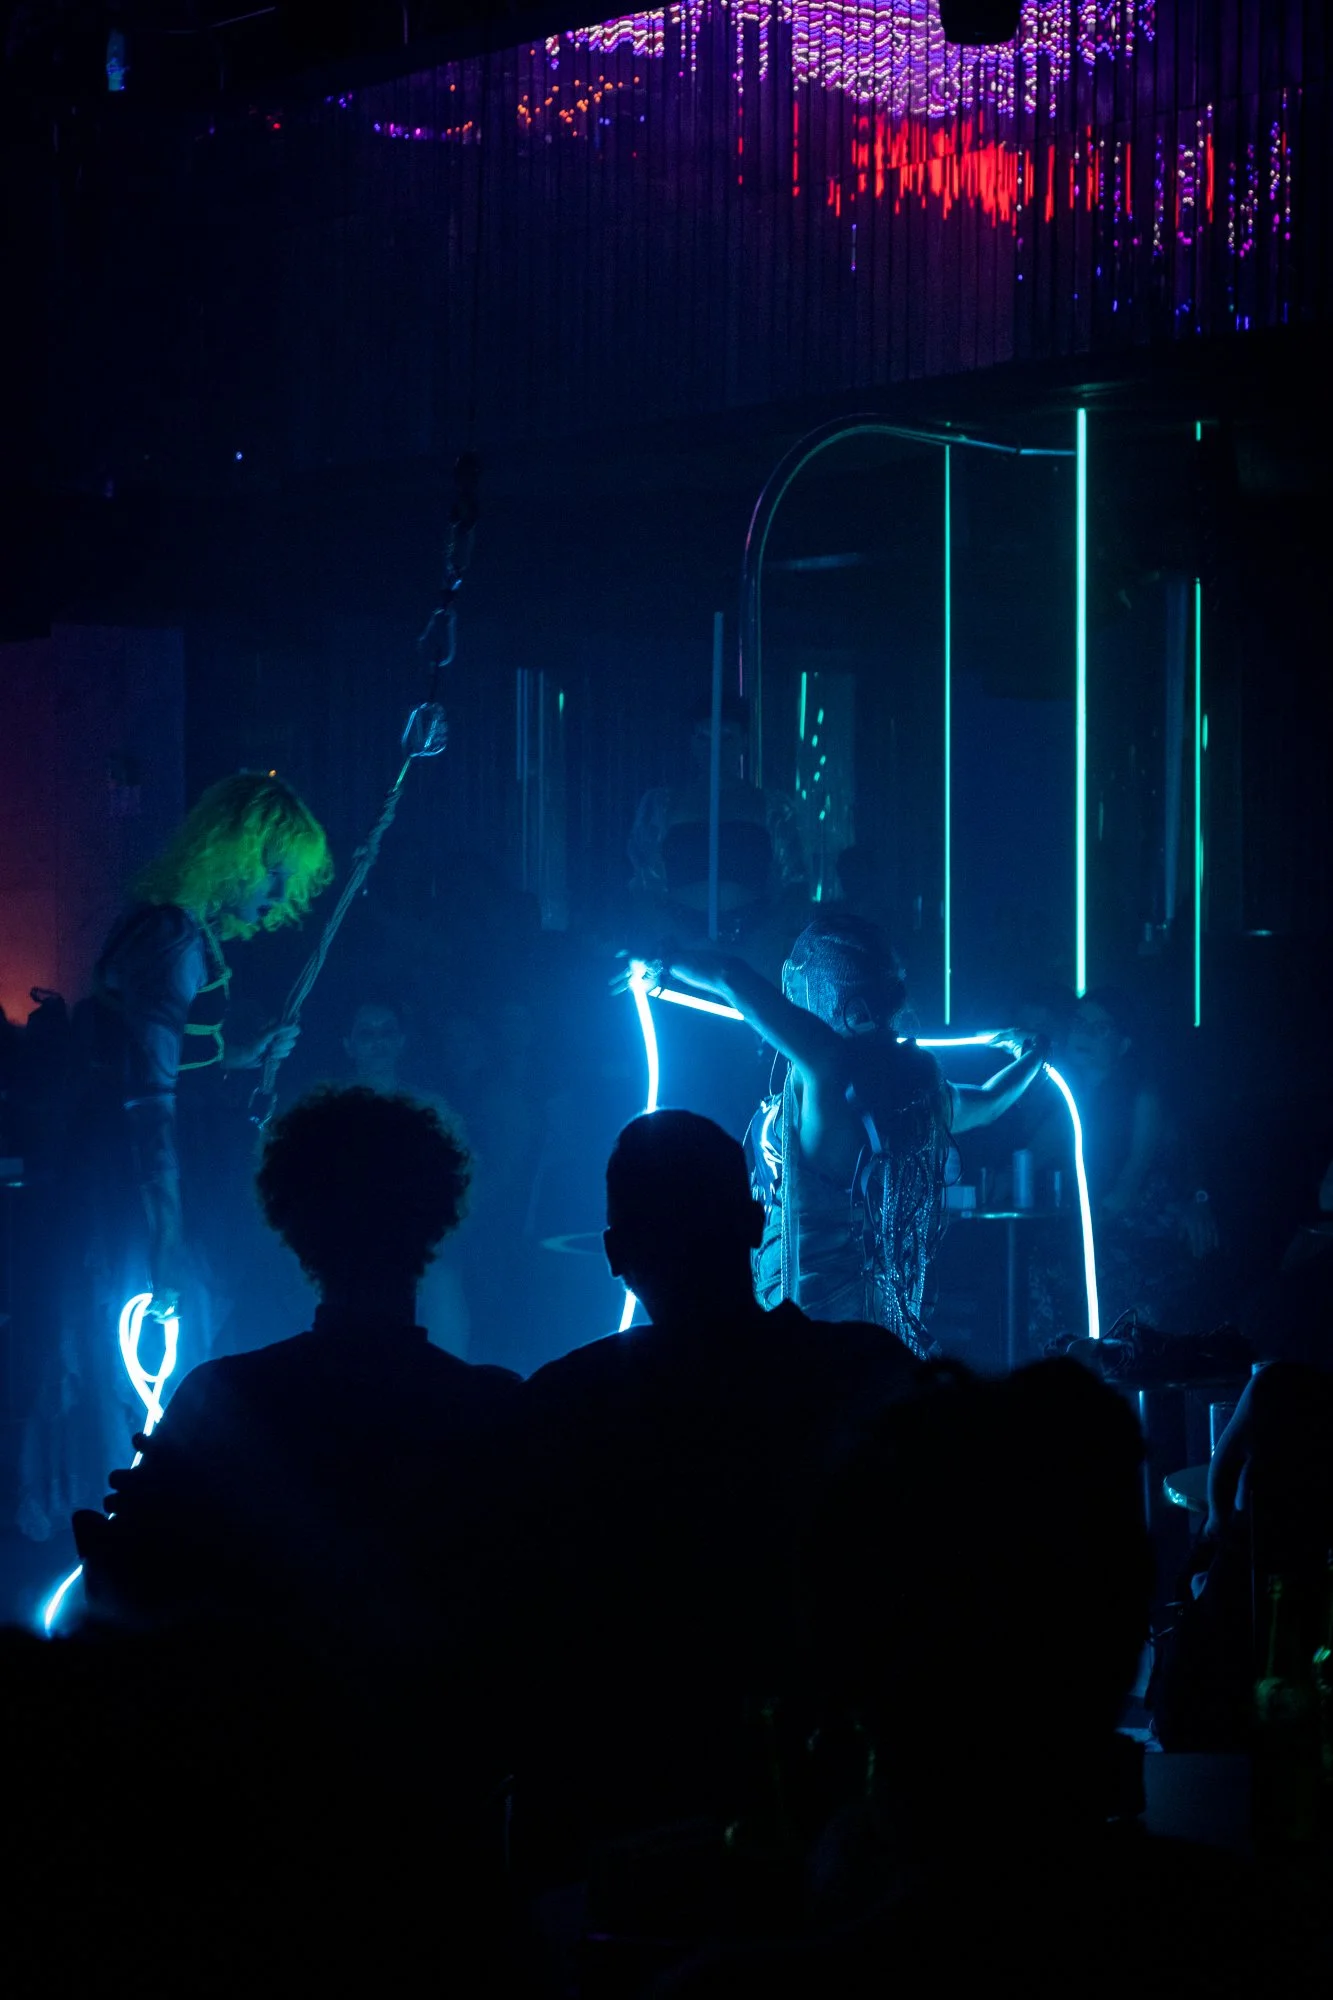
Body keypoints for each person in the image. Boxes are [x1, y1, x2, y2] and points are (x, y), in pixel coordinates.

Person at [511, 1109, 925, 1888]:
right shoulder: (864, 1378)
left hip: (628, 1824)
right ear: (754, 1223)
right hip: (834, 1827)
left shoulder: (562, 1407)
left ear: (613, 1255)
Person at [77, 1085, 520, 1686]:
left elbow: (129, 1590)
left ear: (291, 1223)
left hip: (259, 1750)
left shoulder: (222, 1399)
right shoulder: (495, 1408)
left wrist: (118, 1535)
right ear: (436, 1219)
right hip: (436, 1759)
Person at [16, 771, 332, 1537]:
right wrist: (162, 1234)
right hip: (139, 1177)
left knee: (165, 1343)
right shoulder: (171, 935)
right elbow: (147, 1097)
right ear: (242, 854)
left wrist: (244, 1052)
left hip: (156, 1167)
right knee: (138, 1345)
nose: (278, 894)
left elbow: (164, 1063)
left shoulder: (180, 928)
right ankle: (123, 1531)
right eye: (276, 872)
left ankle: (147, 1520)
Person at [663, 918, 1048, 1354]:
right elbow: (990, 1100)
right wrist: (1033, 1055)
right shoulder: (916, 1092)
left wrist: (664, 960)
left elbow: (733, 978)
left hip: (806, 1325)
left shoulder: (827, 1075)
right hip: (876, 1328)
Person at [628, 694, 808, 948]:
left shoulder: (773, 807)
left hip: (753, 936)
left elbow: (796, 884)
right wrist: (672, 936)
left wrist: (763, 937)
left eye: (726, 738)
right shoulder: (661, 805)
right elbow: (643, 881)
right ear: (691, 742)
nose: (714, 749)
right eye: (704, 738)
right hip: (679, 939)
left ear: (744, 741)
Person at [344, 999, 472, 1355]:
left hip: (423, 1245)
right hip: (351, 1251)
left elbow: (461, 1174)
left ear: (401, 1040)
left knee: (444, 1298)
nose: (378, 1041)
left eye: (386, 1031)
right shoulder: (331, 1112)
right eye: (367, 1033)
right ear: (349, 1045)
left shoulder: (432, 1108)